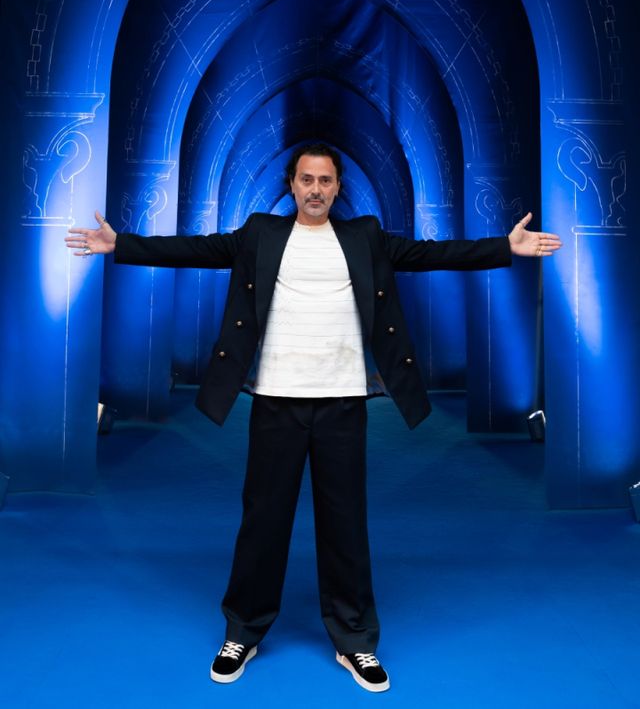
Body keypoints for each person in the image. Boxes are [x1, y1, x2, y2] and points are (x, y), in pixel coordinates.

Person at [66, 143, 561, 692]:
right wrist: (120, 244)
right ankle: (243, 631)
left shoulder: (364, 236)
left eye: (326, 180)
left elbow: (431, 254)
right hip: (275, 400)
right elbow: (196, 248)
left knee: (345, 525)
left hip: (343, 402)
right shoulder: (260, 233)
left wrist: (504, 247)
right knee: (263, 522)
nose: (316, 189)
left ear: (338, 187)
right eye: (307, 179)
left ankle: (355, 640)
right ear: (292, 184)